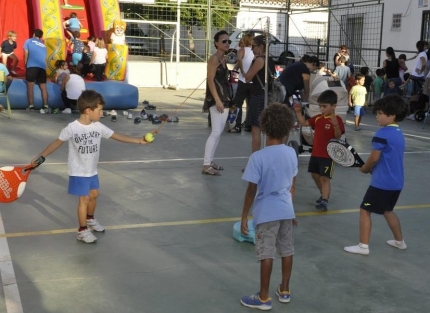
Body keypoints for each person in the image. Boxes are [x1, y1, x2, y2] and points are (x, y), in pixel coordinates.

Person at [30, 90, 148, 243]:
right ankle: (82, 230)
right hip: (78, 170)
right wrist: (40, 157)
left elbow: (118, 136)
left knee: (94, 196)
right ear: (88, 110)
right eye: (99, 110)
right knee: (84, 199)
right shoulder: (72, 128)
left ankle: (90, 220)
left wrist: (139, 140)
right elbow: (56, 143)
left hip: (91, 170)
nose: (102, 113)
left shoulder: (98, 126)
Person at [240, 103, 297, 311]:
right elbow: (292, 185)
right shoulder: (291, 153)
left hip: (266, 213)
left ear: (263, 128)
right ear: (288, 128)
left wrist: (244, 215)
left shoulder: (258, 157)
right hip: (286, 209)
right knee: (287, 249)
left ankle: (263, 298)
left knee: (267, 253)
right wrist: (291, 210)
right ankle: (284, 289)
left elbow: (251, 190)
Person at [344, 94, 408, 256]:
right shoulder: (399, 133)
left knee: (364, 210)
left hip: (382, 183)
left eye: (380, 113)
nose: (377, 116)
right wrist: (373, 167)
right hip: (396, 182)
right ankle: (400, 242)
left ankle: (363, 246)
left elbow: (374, 158)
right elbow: (388, 158)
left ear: (391, 115)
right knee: (388, 210)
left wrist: (365, 168)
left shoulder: (382, 133)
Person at [294, 90, 345, 211]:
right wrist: (298, 112)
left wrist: (336, 125)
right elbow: (304, 123)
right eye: (320, 106)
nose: (321, 109)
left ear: (333, 106)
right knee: (314, 175)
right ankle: (323, 193)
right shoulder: (318, 119)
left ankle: (325, 201)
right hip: (316, 153)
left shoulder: (337, 120)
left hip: (328, 155)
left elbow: (338, 136)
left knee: (325, 178)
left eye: (324, 106)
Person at [202, 30, 231, 176]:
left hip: (224, 98)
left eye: (228, 41)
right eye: (224, 41)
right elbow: (210, 80)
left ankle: (210, 161)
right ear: (216, 43)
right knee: (216, 132)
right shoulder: (213, 59)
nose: (227, 43)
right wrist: (217, 100)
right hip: (216, 98)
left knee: (218, 132)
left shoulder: (223, 58)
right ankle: (206, 164)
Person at [244, 35, 276, 153]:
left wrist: (243, 69)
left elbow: (247, 77)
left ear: (261, 47)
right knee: (268, 131)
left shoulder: (259, 60)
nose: (252, 49)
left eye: (253, 46)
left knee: (256, 132)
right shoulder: (270, 60)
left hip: (258, 96)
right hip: (268, 96)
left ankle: (255, 160)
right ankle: (267, 158)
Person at [229, 33, 254, 133]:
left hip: (243, 81)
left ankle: (237, 126)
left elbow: (239, 60)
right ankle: (249, 124)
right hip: (252, 81)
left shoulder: (242, 50)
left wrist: (242, 71)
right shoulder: (254, 52)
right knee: (250, 104)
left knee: (238, 103)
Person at [24, 29, 49, 114]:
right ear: (41, 36)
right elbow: (45, 58)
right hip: (42, 67)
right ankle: (46, 105)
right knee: (43, 87)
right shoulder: (43, 45)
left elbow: (26, 54)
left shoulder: (28, 41)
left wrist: (25, 65)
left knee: (30, 86)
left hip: (32, 65)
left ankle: (31, 106)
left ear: (34, 34)